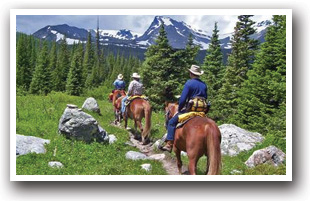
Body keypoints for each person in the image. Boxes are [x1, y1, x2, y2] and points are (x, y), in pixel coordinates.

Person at [161, 65, 208, 152]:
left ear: (191, 73)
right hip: (201, 111)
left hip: (190, 110)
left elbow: (183, 99)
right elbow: (205, 97)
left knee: (171, 122)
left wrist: (180, 109)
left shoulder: (189, 83)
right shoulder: (204, 85)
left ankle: (169, 144)